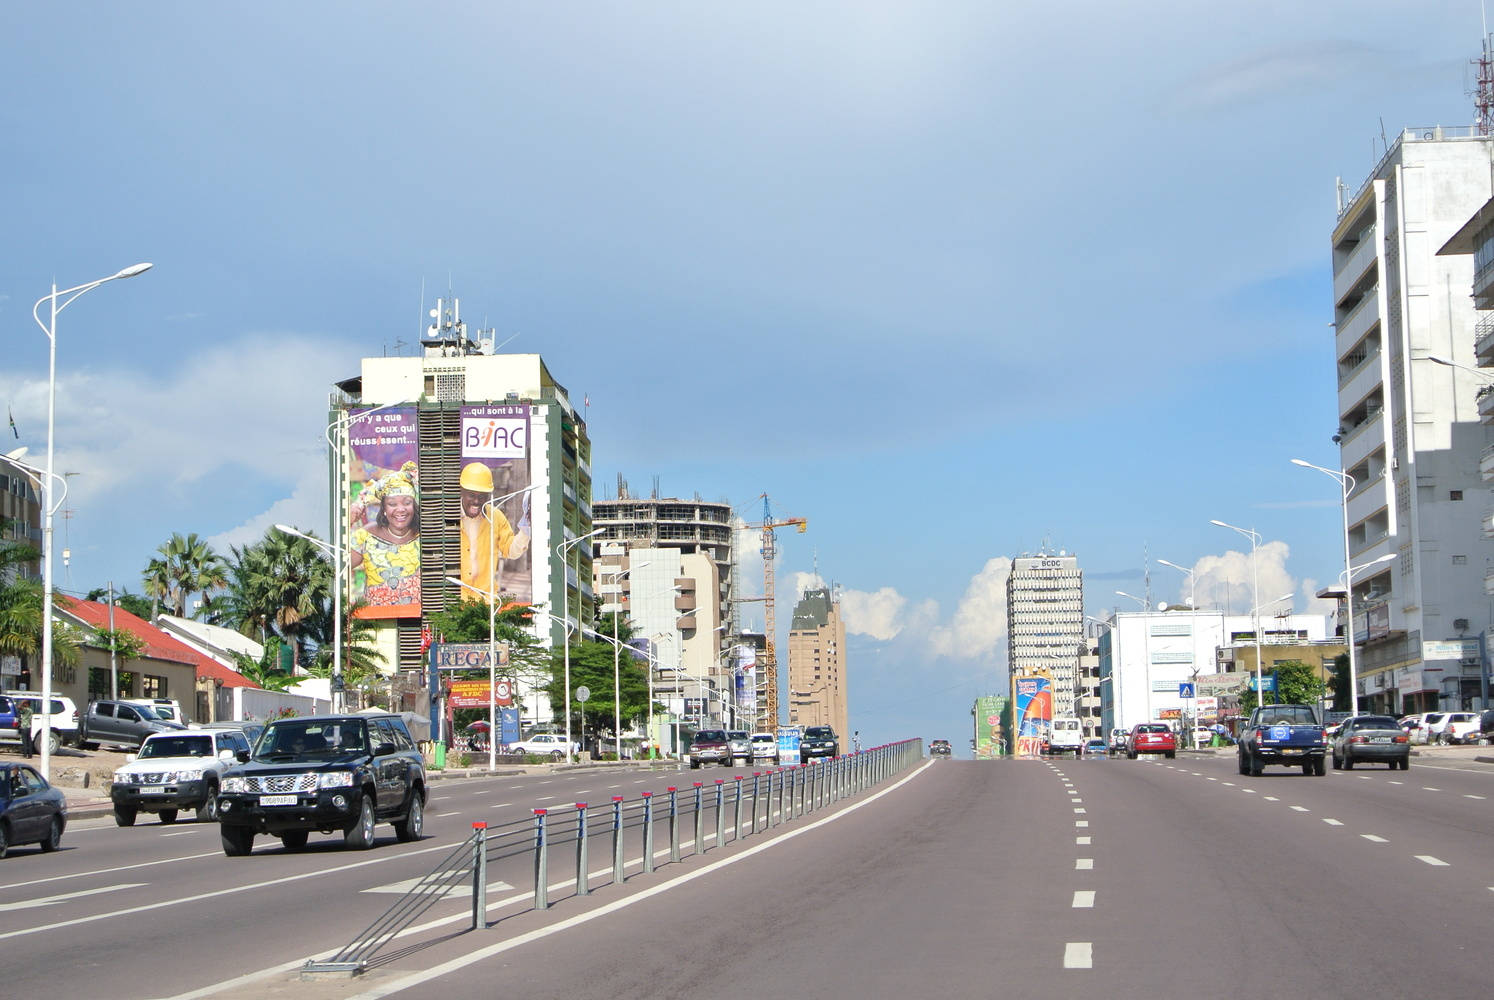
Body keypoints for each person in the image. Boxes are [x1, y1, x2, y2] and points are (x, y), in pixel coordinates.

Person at [349, 461, 421, 609]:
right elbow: (339, 566)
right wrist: (347, 522)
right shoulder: (365, 536)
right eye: (392, 504)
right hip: (376, 624)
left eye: (407, 503)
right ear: (383, 509)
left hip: (420, 622)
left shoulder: (425, 535)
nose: (400, 509)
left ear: (414, 507)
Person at [457, 461, 531, 599]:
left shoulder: (496, 517)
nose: (476, 501)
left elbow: (511, 551)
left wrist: (526, 527)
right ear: (462, 491)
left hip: (485, 602)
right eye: (471, 495)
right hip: (454, 600)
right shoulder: (447, 518)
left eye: (481, 496)